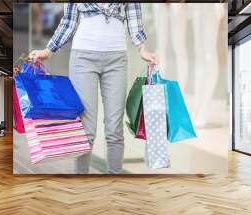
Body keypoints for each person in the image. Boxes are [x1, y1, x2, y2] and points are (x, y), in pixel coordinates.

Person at [30, 3, 157, 174]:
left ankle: (115, 187)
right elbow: (69, 21)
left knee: (115, 131)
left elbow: (134, 15)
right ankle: (82, 189)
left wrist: (142, 48)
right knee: (86, 131)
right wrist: (49, 50)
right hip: (83, 58)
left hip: (117, 58)